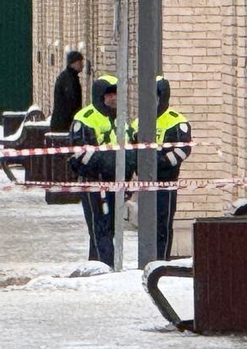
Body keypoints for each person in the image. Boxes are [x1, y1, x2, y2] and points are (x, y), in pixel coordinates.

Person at [69, 74, 135, 269]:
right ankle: (105, 267)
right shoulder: (85, 119)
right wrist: (112, 162)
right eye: (109, 95)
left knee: (109, 228)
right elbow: (81, 154)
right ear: (100, 96)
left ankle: (96, 266)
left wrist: (127, 170)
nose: (113, 98)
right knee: (100, 228)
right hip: (94, 183)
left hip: (116, 183)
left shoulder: (121, 119)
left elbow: (130, 148)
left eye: (116, 94)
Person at [132, 76, 191, 260]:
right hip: (144, 182)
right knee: (147, 225)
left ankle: (162, 260)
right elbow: (131, 149)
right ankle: (147, 260)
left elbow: (183, 150)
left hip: (166, 182)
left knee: (163, 225)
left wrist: (160, 162)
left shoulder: (176, 121)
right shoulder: (138, 121)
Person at [50, 50, 84, 132]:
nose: (82, 65)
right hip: (64, 124)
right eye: (80, 62)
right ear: (73, 63)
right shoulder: (69, 79)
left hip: (64, 122)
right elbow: (71, 102)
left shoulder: (70, 77)